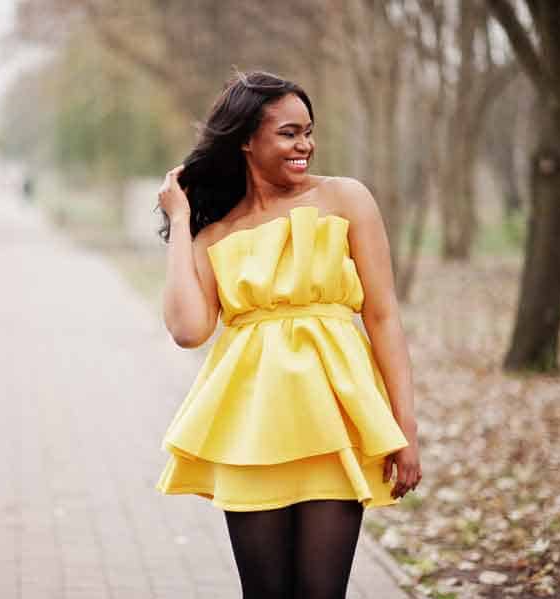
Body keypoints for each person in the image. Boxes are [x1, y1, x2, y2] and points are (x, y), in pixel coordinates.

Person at [153, 70, 422, 599]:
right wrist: (181, 221)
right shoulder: (217, 232)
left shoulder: (346, 199)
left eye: (309, 131)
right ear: (247, 140)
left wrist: (404, 426)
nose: (306, 145)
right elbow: (188, 330)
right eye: (289, 133)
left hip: (335, 424)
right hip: (251, 433)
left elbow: (383, 316)